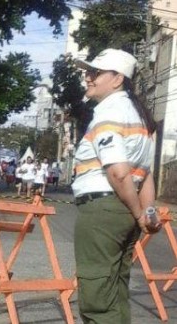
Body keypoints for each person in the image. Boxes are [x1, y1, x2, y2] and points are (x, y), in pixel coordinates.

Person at [72, 48, 161, 323]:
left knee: (98, 299)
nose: (88, 78)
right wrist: (145, 214)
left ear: (117, 79)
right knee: (116, 292)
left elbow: (120, 174)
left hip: (103, 210)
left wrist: (138, 213)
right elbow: (143, 175)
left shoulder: (109, 111)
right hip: (123, 212)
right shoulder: (139, 116)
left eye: (96, 73)